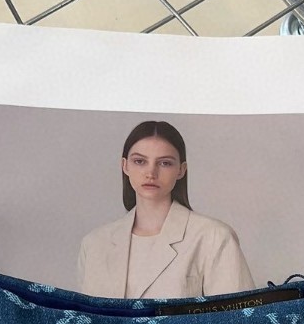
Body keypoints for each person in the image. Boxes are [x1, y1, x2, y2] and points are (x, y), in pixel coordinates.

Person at [77, 121, 255, 299]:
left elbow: (240, 315)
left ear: (181, 170)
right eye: (140, 161)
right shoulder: (94, 245)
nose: (151, 173)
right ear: (125, 166)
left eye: (164, 163)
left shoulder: (214, 237)